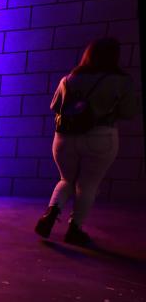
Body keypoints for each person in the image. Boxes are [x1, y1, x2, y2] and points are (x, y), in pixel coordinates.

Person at [35, 37, 138, 245]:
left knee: (65, 179)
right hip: (100, 136)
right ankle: (75, 229)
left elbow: (55, 106)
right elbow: (129, 112)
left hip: (65, 137)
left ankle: (50, 214)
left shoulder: (68, 79)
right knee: (88, 184)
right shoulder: (121, 81)